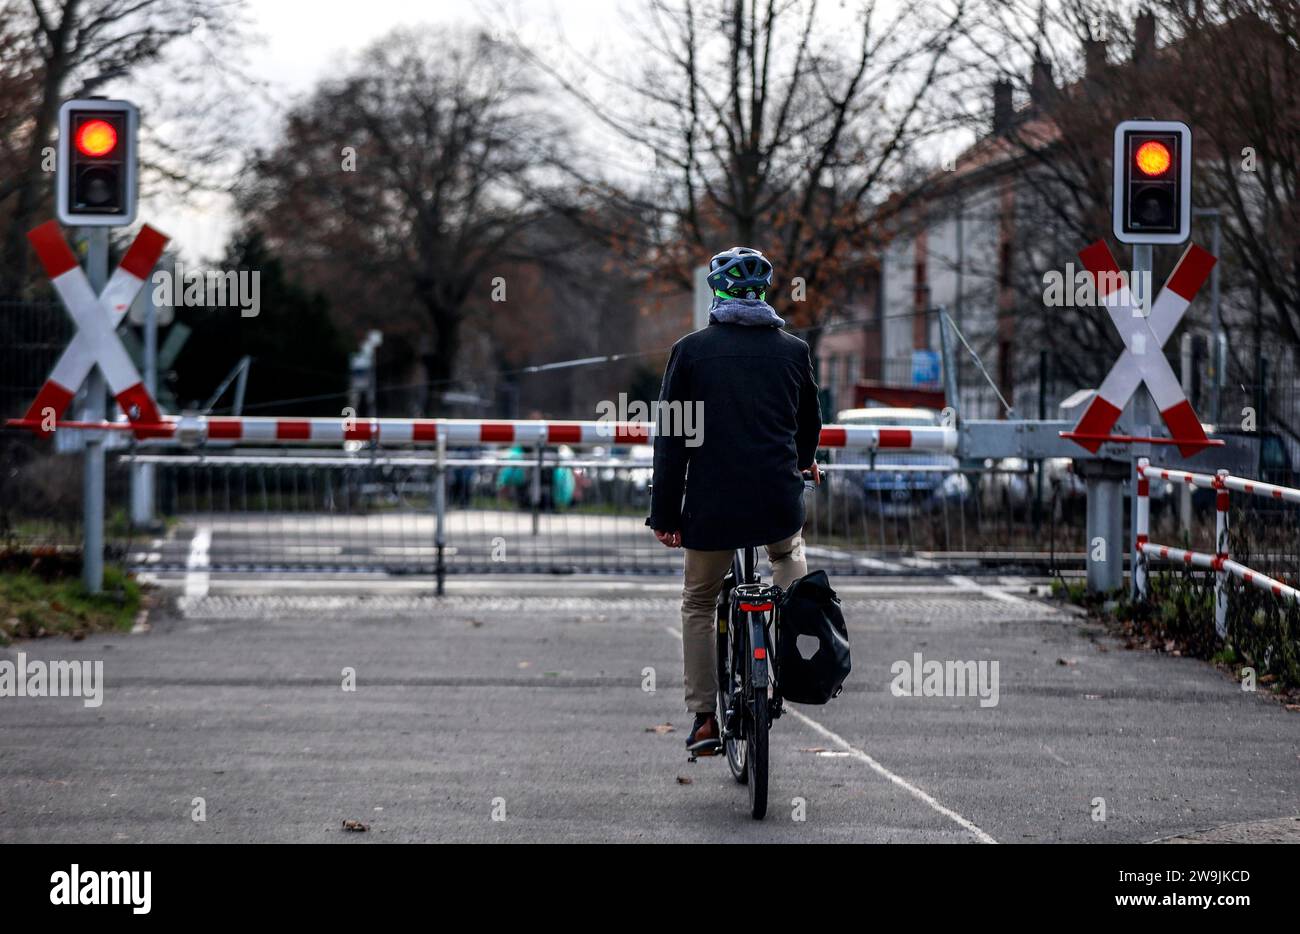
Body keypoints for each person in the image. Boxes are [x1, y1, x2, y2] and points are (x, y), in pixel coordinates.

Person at [645, 246, 822, 755]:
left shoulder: (692, 351)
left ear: (716, 292)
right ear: (763, 293)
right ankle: (789, 653)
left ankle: (704, 720)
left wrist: (666, 514)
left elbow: (672, 439)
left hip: (712, 506)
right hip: (775, 501)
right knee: (788, 558)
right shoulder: (793, 351)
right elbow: (807, 423)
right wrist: (804, 460)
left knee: (699, 601)